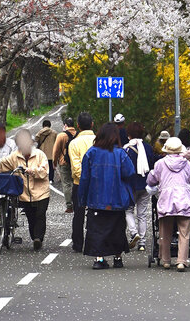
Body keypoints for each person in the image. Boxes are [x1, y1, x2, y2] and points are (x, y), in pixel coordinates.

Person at [78, 122, 136, 269]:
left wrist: (82, 199)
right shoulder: (120, 153)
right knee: (117, 228)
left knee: (97, 229)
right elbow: (129, 172)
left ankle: (99, 259)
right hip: (117, 198)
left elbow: (84, 178)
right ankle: (117, 258)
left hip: (96, 199)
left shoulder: (91, 153)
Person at [146, 137, 190, 271]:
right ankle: (181, 261)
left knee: (164, 231)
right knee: (184, 232)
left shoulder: (160, 164)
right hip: (183, 200)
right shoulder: (186, 164)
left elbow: (151, 180)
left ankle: (166, 260)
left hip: (166, 200)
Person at [0, 127, 50, 250]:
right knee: (31, 217)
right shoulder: (15, 156)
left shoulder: (40, 155)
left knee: (40, 215)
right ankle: (34, 238)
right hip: (25, 194)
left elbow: (45, 171)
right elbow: (2, 163)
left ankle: (38, 238)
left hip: (41, 192)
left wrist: (32, 171)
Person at [124, 121, 158, 252]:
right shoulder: (148, 148)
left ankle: (133, 233)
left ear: (129, 135)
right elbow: (153, 163)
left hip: (131, 185)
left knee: (128, 210)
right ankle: (142, 243)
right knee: (142, 214)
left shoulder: (127, 149)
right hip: (145, 185)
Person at [68, 112, 96, 252]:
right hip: (97, 184)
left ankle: (78, 243)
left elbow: (75, 166)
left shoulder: (74, 143)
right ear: (92, 124)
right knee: (96, 213)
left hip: (79, 184)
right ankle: (94, 242)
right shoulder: (99, 140)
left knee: (78, 215)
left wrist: (84, 178)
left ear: (78, 126)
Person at [53, 117, 77, 216]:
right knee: (75, 183)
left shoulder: (61, 135)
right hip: (75, 162)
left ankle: (69, 206)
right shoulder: (77, 134)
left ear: (65, 125)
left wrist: (54, 162)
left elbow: (56, 150)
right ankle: (77, 204)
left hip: (64, 162)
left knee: (67, 184)